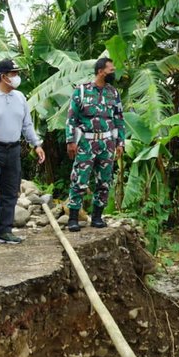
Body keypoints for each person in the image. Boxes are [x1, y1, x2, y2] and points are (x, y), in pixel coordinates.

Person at [0, 59, 46, 246]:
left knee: (10, 193)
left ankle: (4, 231)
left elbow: (26, 125)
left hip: (13, 150)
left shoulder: (20, 97)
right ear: (3, 77)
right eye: (14, 74)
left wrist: (36, 144)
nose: (17, 77)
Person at [65, 57, 125, 231]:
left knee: (104, 181)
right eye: (111, 70)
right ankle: (73, 218)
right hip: (86, 142)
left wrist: (120, 142)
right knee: (79, 179)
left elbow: (119, 118)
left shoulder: (113, 93)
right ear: (101, 71)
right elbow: (71, 118)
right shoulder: (81, 91)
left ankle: (97, 217)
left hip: (107, 143)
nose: (113, 73)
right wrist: (70, 141)